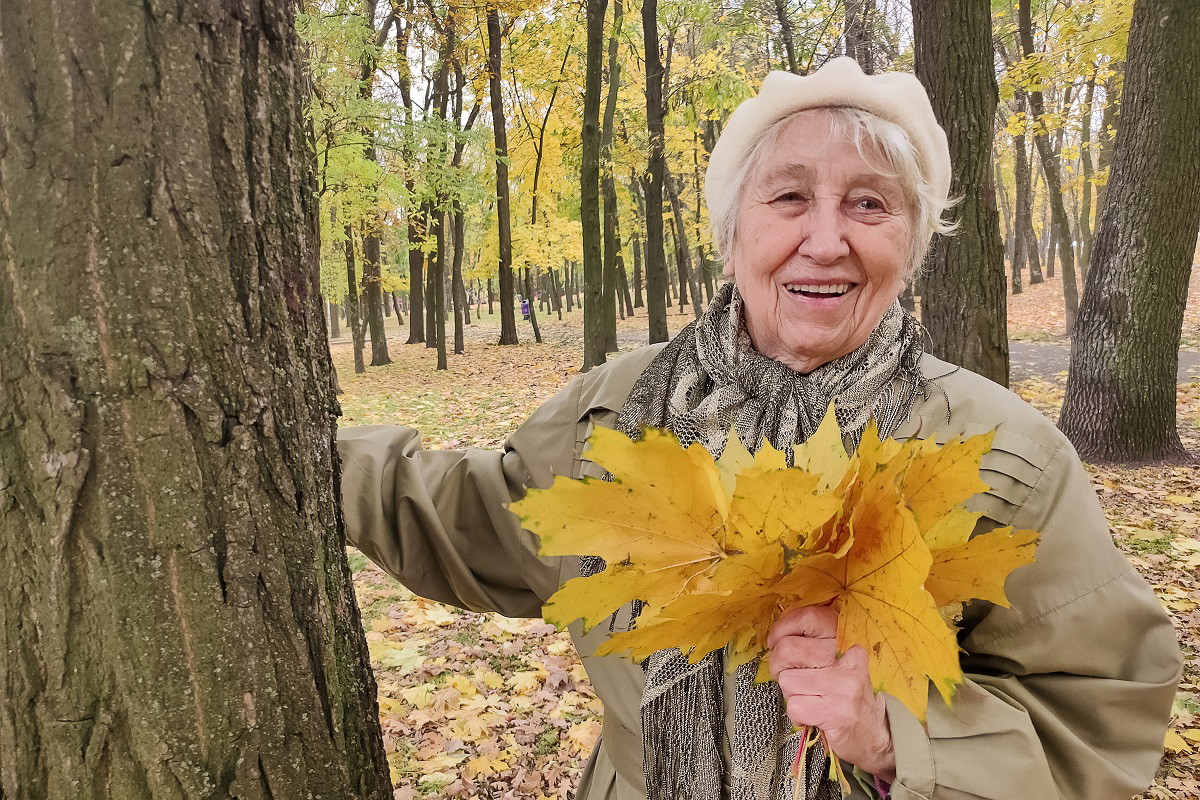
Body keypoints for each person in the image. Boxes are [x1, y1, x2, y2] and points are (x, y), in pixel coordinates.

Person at [337, 57, 1181, 800]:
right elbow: (480, 519)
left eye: (870, 204)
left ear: (912, 243)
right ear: (732, 229)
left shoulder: (1005, 456)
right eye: (789, 197)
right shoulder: (619, 408)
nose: (827, 240)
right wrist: (309, 461)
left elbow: (1100, 712)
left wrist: (895, 737)